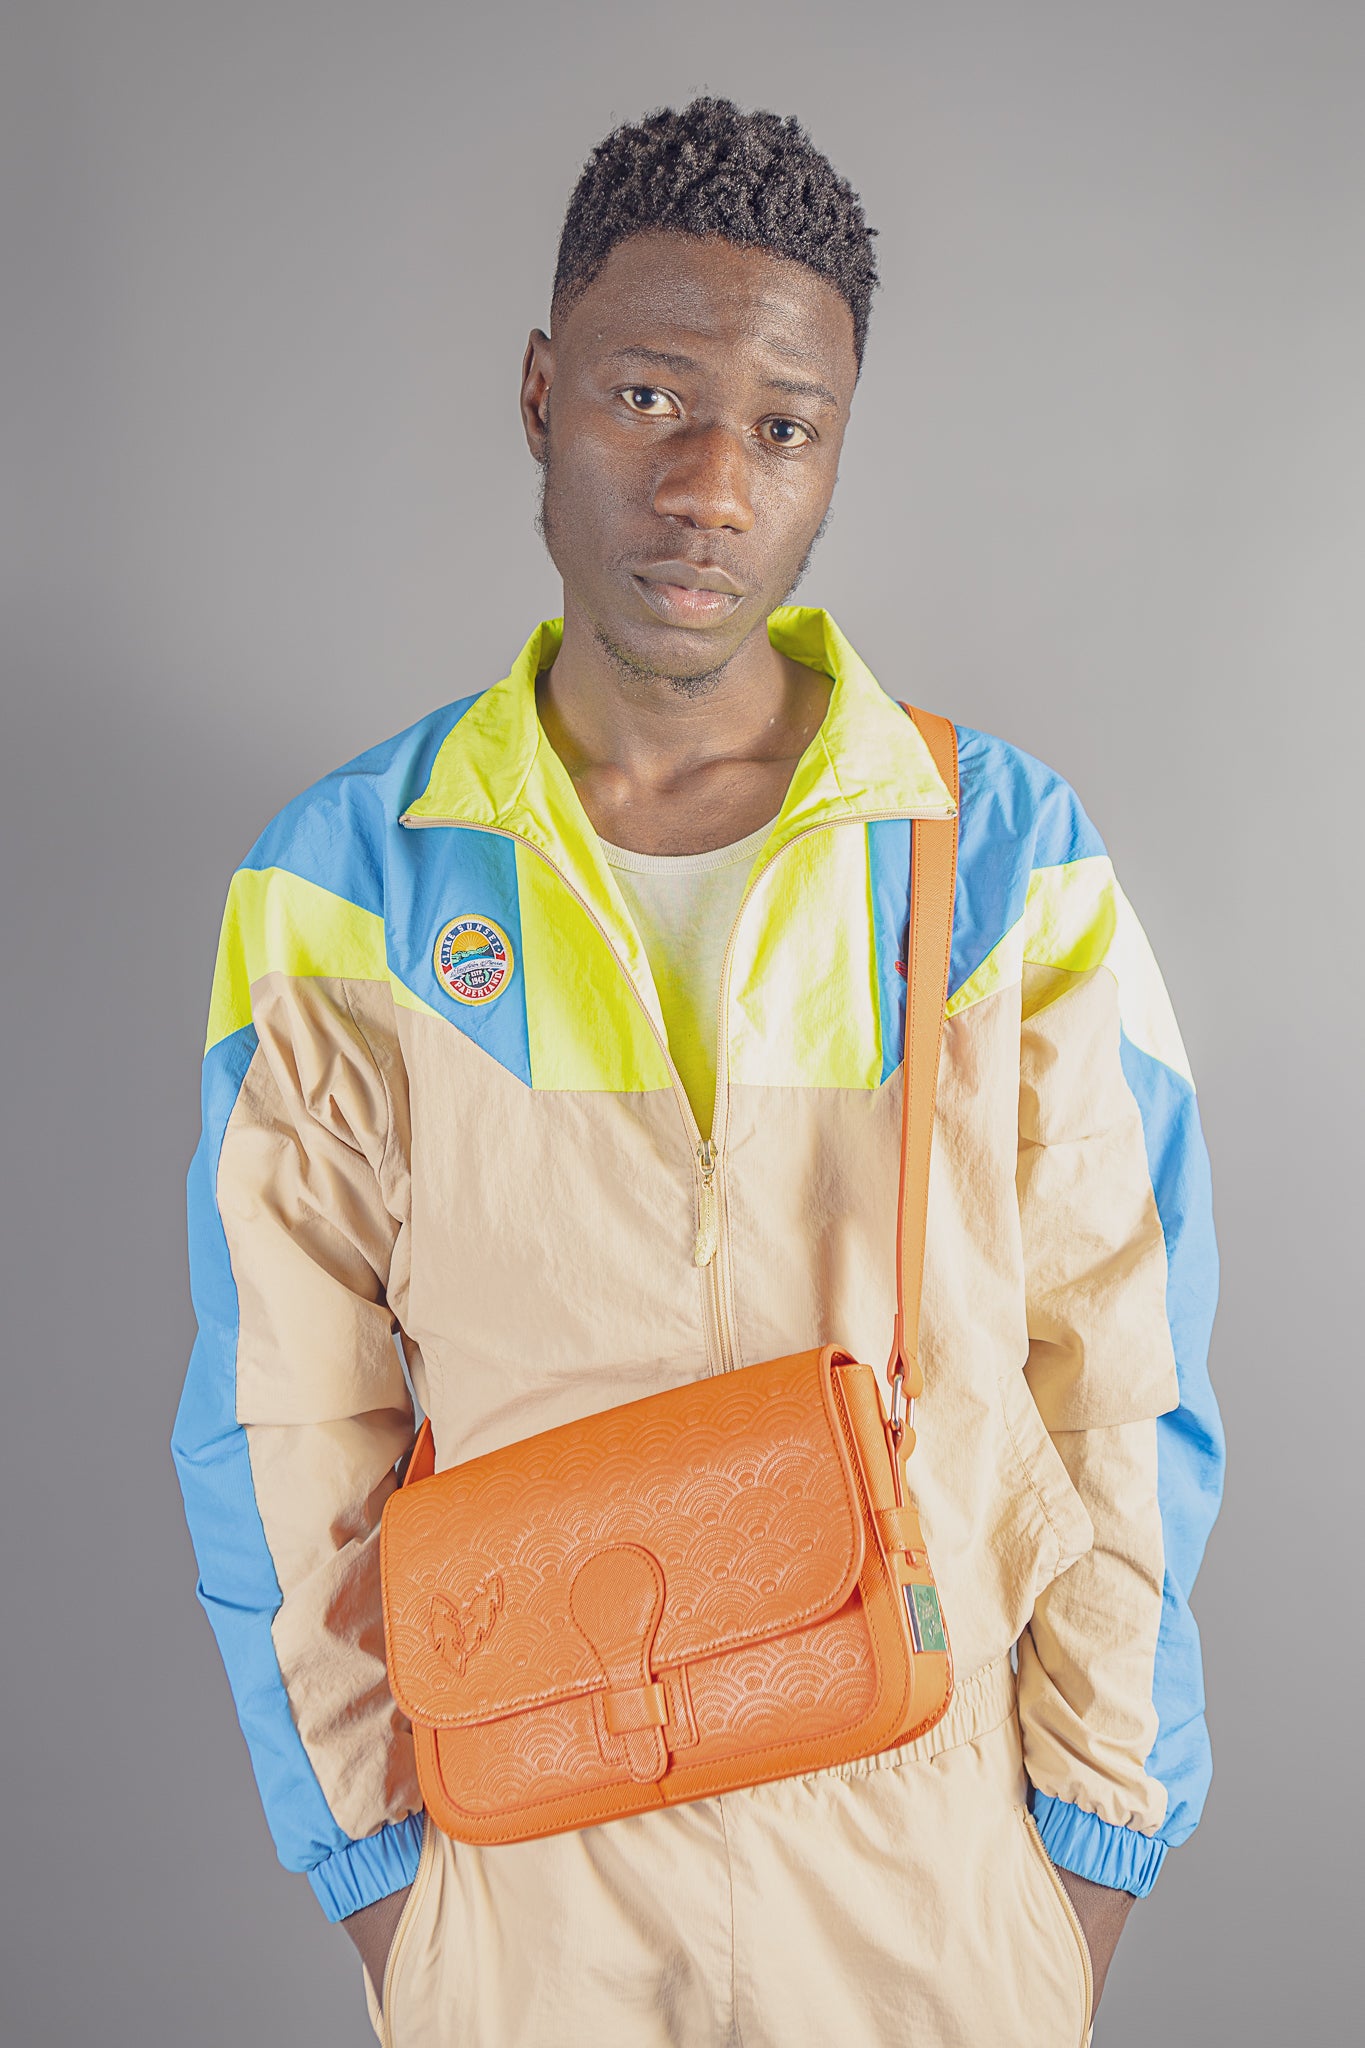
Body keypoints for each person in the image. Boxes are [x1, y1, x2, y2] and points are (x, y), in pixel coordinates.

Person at [172, 97, 1223, 2048]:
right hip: (526, 1903)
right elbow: (278, 1428)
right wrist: (395, 1902)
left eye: (782, 427)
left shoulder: (998, 856)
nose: (709, 485)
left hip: (927, 1892)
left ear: (832, 459)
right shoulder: (341, 885)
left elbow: (1123, 1375)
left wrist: (1073, 1865)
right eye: (649, 396)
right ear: (538, 389)